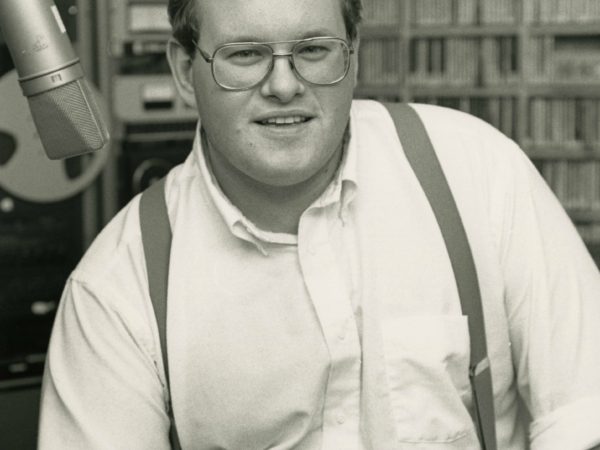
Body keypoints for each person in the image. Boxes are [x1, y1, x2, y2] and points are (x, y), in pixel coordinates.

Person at [38, 0, 600, 448]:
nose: (284, 84)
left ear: (352, 55)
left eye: (313, 49)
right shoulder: (115, 290)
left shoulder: (478, 173)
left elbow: (584, 411)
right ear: (186, 71)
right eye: (245, 54)